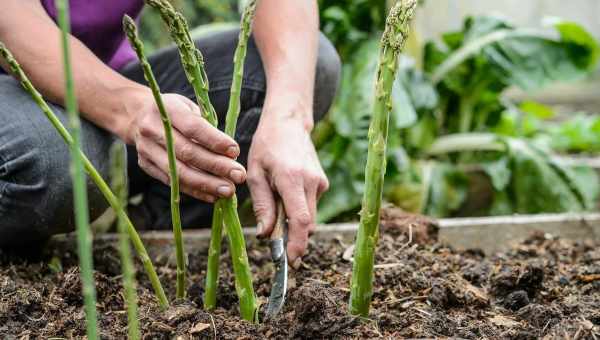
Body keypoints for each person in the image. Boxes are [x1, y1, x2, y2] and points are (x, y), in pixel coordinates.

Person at [0, 0, 340, 266]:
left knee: (303, 69)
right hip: (14, 92)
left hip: (103, 76)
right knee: (59, 164)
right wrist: (131, 110)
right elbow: (10, 17)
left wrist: (288, 117)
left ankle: (144, 230)